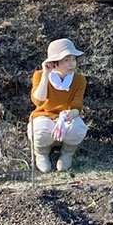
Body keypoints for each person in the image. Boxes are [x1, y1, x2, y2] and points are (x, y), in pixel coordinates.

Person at [29, 38, 88, 173]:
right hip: (44, 116)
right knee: (39, 131)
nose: (72, 63)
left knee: (78, 128)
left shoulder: (79, 79)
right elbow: (39, 101)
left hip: (65, 117)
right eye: (66, 60)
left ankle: (67, 153)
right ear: (54, 62)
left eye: (73, 59)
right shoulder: (39, 75)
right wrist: (45, 75)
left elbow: (77, 105)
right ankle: (42, 153)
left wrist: (70, 114)